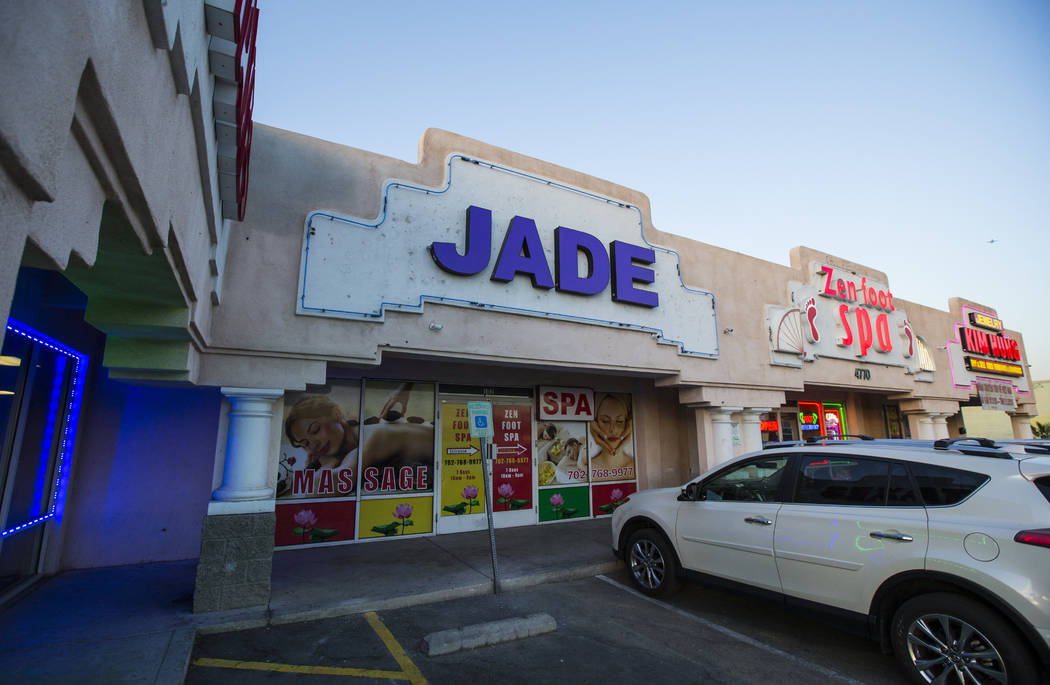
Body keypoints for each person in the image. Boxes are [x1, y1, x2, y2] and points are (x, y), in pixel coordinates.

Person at [589, 393, 634, 477]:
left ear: (628, 424)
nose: (612, 430)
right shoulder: (585, 469)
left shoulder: (637, 467)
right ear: (595, 423)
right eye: (605, 421)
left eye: (619, 421)